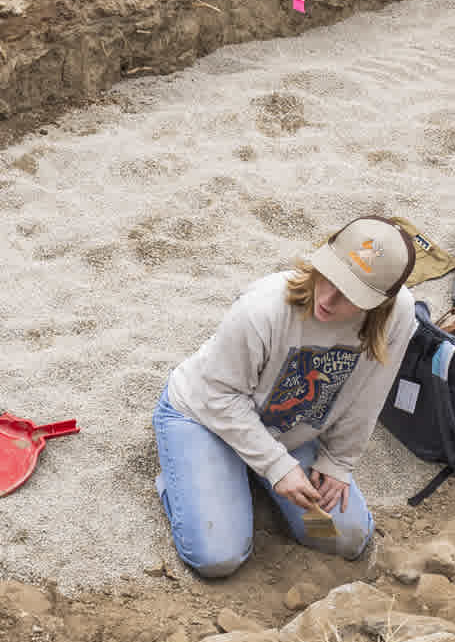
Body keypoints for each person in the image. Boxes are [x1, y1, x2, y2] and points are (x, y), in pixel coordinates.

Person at [154, 216, 417, 575]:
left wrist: (338, 461)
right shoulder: (262, 308)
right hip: (206, 415)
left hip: (286, 428)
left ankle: (243, 474)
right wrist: (276, 466)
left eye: (350, 295)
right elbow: (218, 394)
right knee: (218, 557)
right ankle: (188, 474)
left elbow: (370, 390)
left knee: (347, 539)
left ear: (380, 303)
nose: (328, 298)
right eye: (329, 276)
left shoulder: (399, 314)